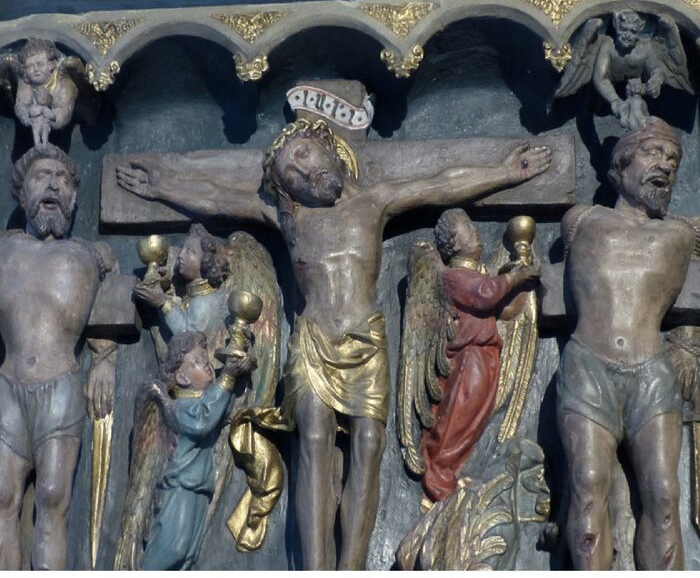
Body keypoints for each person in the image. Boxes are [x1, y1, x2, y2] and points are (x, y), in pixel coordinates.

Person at [115, 116, 552, 569]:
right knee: (313, 441)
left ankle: (351, 568)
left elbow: (441, 183)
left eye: (304, 155)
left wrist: (504, 172)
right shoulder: (290, 219)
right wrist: (161, 186)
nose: (303, 174)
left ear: (327, 145)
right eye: (290, 175)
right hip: (315, 340)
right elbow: (216, 197)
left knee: (368, 446)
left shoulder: (374, 201)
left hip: (366, 337)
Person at [558, 117, 694, 570]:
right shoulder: (582, 220)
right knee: (587, 484)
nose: (666, 166)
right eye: (653, 154)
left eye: (673, 160)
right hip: (589, 367)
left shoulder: (682, 234)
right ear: (620, 165)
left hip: (651, 371)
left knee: (665, 494)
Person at [0, 144, 115, 569]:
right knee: (2, 497)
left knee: (53, 497)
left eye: (62, 179)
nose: (52, 186)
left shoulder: (93, 255)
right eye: (40, 177)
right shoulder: (5, 249)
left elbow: (113, 310)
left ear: (73, 196)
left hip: (61, 386)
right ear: (21, 193)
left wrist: (105, 359)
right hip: (7, 387)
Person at [420, 208, 539, 502]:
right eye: (469, 229)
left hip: (487, 357)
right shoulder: (452, 277)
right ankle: (437, 474)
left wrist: (520, 283)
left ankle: (451, 472)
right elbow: (484, 294)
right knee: (458, 417)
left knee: (474, 420)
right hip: (468, 359)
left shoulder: (479, 274)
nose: (476, 233)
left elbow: (504, 311)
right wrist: (513, 278)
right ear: (453, 243)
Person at [140, 331, 249, 570]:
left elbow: (220, 408)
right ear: (182, 377)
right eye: (198, 362)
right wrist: (227, 376)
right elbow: (203, 421)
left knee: (188, 556)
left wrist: (239, 369)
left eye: (206, 359)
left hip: (199, 489)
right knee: (173, 548)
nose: (207, 365)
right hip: (180, 488)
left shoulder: (201, 402)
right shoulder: (180, 408)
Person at [14, 39, 78, 145]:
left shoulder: (63, 82)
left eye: (40, 64)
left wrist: (47, 118)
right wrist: (31, 119)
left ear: (51, 64)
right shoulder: (25, 80)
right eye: (30, 66)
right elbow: (20, 106)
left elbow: (64, 113)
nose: (35, 69)